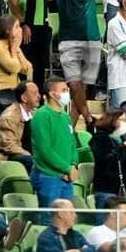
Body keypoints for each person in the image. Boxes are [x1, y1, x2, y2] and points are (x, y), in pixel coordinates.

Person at [50, 0, 116, 127]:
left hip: (93, 40)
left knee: (84, 86)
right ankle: (87, 118)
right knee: (74, 83)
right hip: (69, 40)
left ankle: (71, 128)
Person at [29, 77, 79, 217]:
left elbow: (72, 144)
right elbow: (44, 150)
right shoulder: (42, 115)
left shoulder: (65, 116)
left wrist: (73, 165)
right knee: (49, 221)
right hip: (48, 177)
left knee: (66, 220)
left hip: (66, 178)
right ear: (52, 94)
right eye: (63, 90)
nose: (67, 93)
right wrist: (67, 168)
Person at [0, 81, 38, 173]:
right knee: (31, 161)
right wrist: (29, 155)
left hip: (31, 155)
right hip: (14, 156)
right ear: (24, 98)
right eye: (34, 93)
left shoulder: (35, 113)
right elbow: (9, 145)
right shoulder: (8, 117)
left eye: (38, 92)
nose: (39, 96)